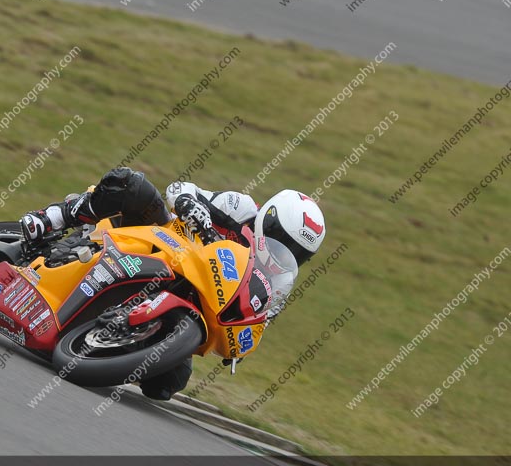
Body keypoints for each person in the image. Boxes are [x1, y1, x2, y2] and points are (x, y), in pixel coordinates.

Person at [20, 167, 326, 400]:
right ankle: (53, 219)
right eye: (282, 241)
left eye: (298, 254)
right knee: (132, 184)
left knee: (167, 384)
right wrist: (192, 206)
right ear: (267, 221)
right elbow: (181, 187)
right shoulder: (241, 207)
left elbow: (255, 324)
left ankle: (108, 337)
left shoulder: (275, 284)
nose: (285, 255)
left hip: (188, 298)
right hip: (158, 238)